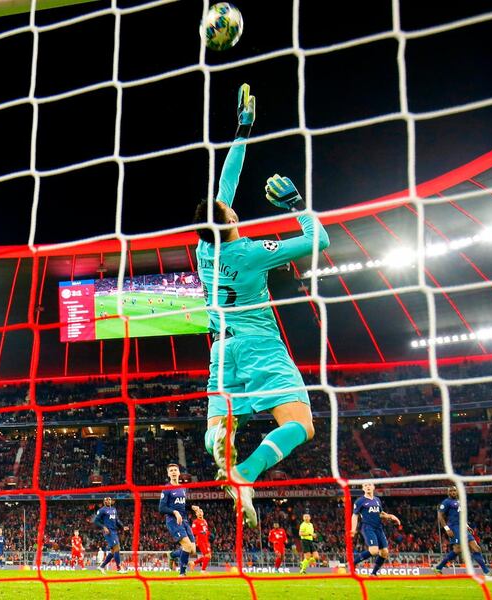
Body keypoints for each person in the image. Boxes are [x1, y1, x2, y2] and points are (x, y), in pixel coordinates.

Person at [194, 82, 330, 528]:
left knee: (216, 423)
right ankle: (245, 472)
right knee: (301, 424)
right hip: (259, 344)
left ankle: (221, 438)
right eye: (227, 207)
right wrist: (296, 204)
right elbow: (319, 240)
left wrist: (241, 131)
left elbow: (225, 184)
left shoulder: (205, 252)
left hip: (219, 349)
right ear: (229, 218)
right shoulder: (252, 252)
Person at [433, 486, 492, 576]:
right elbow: (440, 516)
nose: (453, 492)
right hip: (454, 527)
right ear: (448, 493)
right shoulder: (446, 502)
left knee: (476, 548)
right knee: (458, 549)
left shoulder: (459, 502)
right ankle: (438, 567)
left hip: (462, 527)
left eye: (454, 490)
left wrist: (467, 525)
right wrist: (447, 529)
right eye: (451, 491)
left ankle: (487, 572)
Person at [350, 482, 401, 577]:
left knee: (384, 553)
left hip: (378, 528)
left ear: (373, 487)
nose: (368, 487)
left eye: (369, 485)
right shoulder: (360, 501)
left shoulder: (377, 500)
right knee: (374, 550)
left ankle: (373, 573)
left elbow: (380, 513)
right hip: (367, 527)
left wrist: (391, 516)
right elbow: (355, 515)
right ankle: (352, 564)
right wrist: (353, 529)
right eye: (365, 485)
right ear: (363, 489)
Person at [158, 463, 196, 577]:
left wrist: (192, 507)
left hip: (184, 521)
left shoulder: (182, 488)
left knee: (192, 550)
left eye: (175, 470)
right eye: (171, 470)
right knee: (187, 546)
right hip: (173, 521)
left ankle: (173, 555)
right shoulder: (167, 488)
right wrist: (174, 512)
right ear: (168, 474)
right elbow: (161, 508)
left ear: (179, 473)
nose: (174, 472)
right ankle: (182, 573)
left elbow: (182, 505)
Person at [93, 497, 128, 574]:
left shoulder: (114, 510)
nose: (108, 501)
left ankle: (102, 566)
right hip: (108, 532)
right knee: (117, 547)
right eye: (106, 500)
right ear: (104, 501)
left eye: (109, 500)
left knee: (113, 551)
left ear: (111, 501)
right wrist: (104, 527)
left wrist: (122, 527)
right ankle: (119, 568)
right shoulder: (102, 510)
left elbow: (117, 520)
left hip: (114, 531)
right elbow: (96, 521)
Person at [190, 505, 212, 574]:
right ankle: (203, 570)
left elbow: (206, 531)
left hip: (206, 541)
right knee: (207, 555)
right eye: (198, 512)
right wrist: (200, 532)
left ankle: (194, 563)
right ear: (196, 514)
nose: (200, 513)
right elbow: (193, 532)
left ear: (203, 513)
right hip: (200, 541)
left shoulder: (205, 521)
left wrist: (208, 534)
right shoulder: (195, 522)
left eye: (201, 512)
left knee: (209, 556)